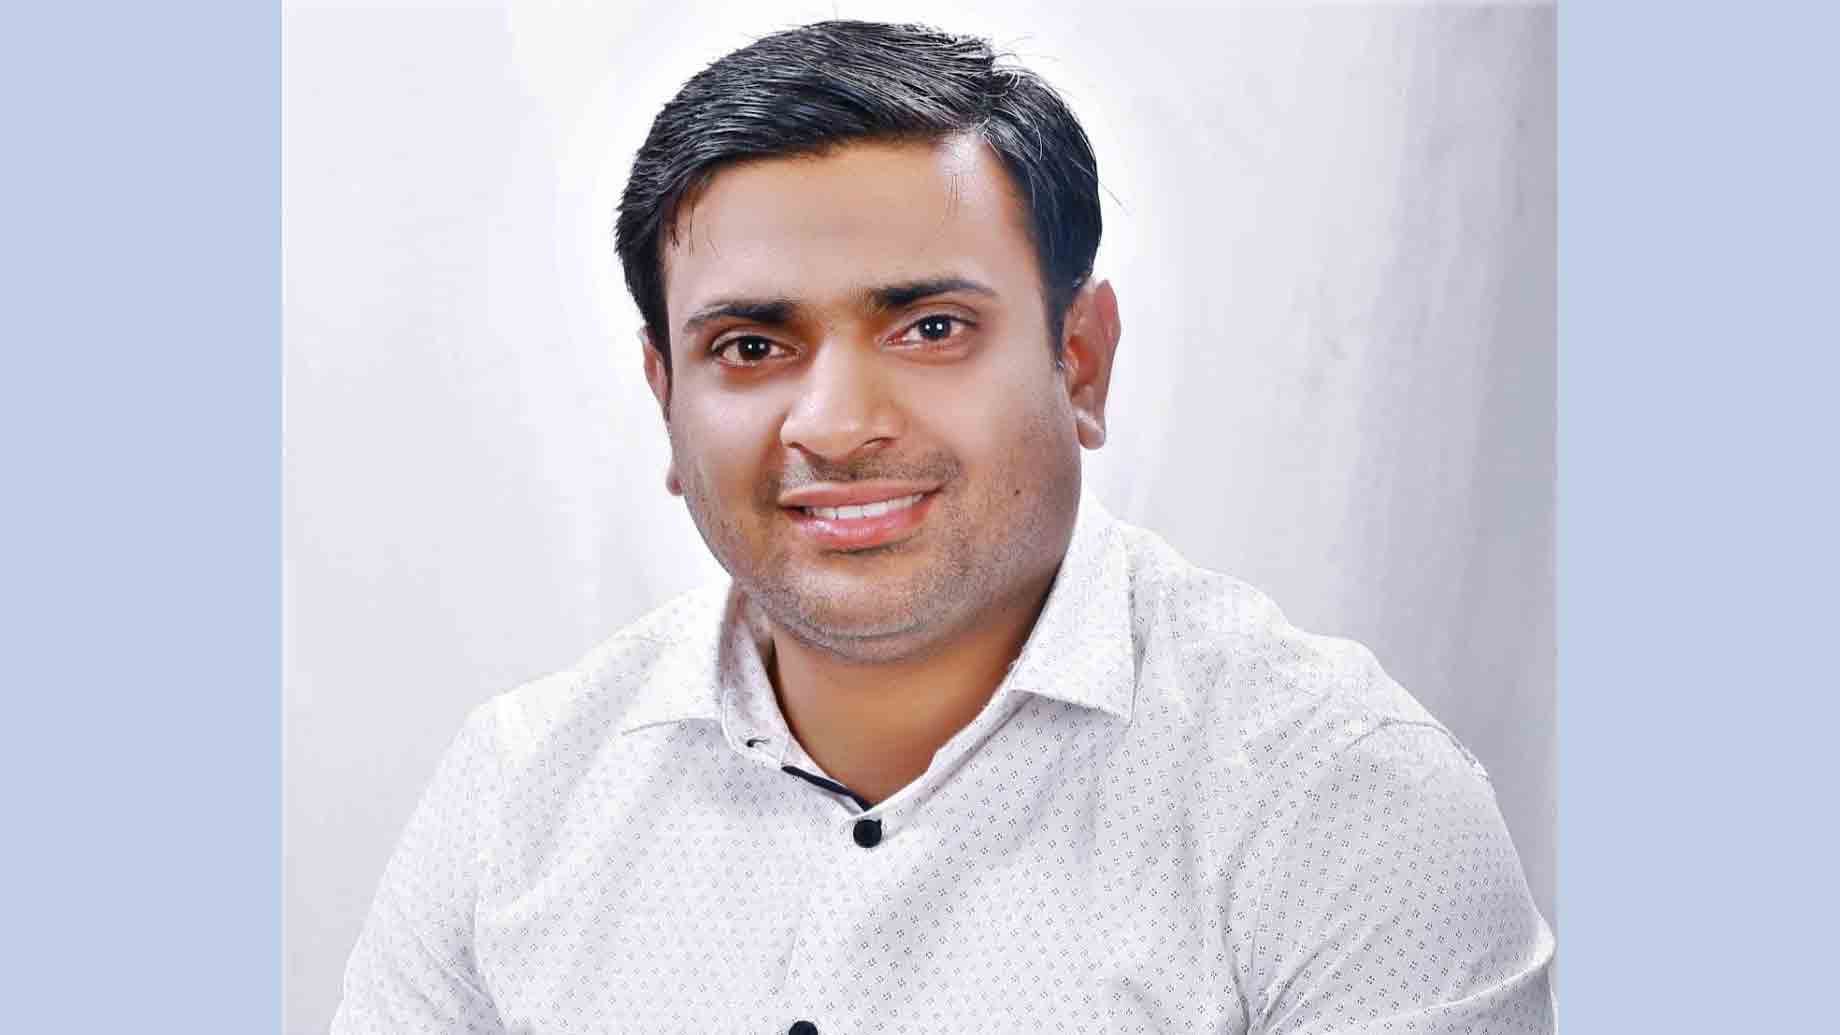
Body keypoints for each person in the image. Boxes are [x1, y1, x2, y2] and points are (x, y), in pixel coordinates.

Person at [332, 19, 1554, 1034]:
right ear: (666, 399)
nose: (836, 424)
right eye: (750, 347)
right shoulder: (519, 798)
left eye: (929, 329)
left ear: (1080, 360)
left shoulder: (1336, 806)